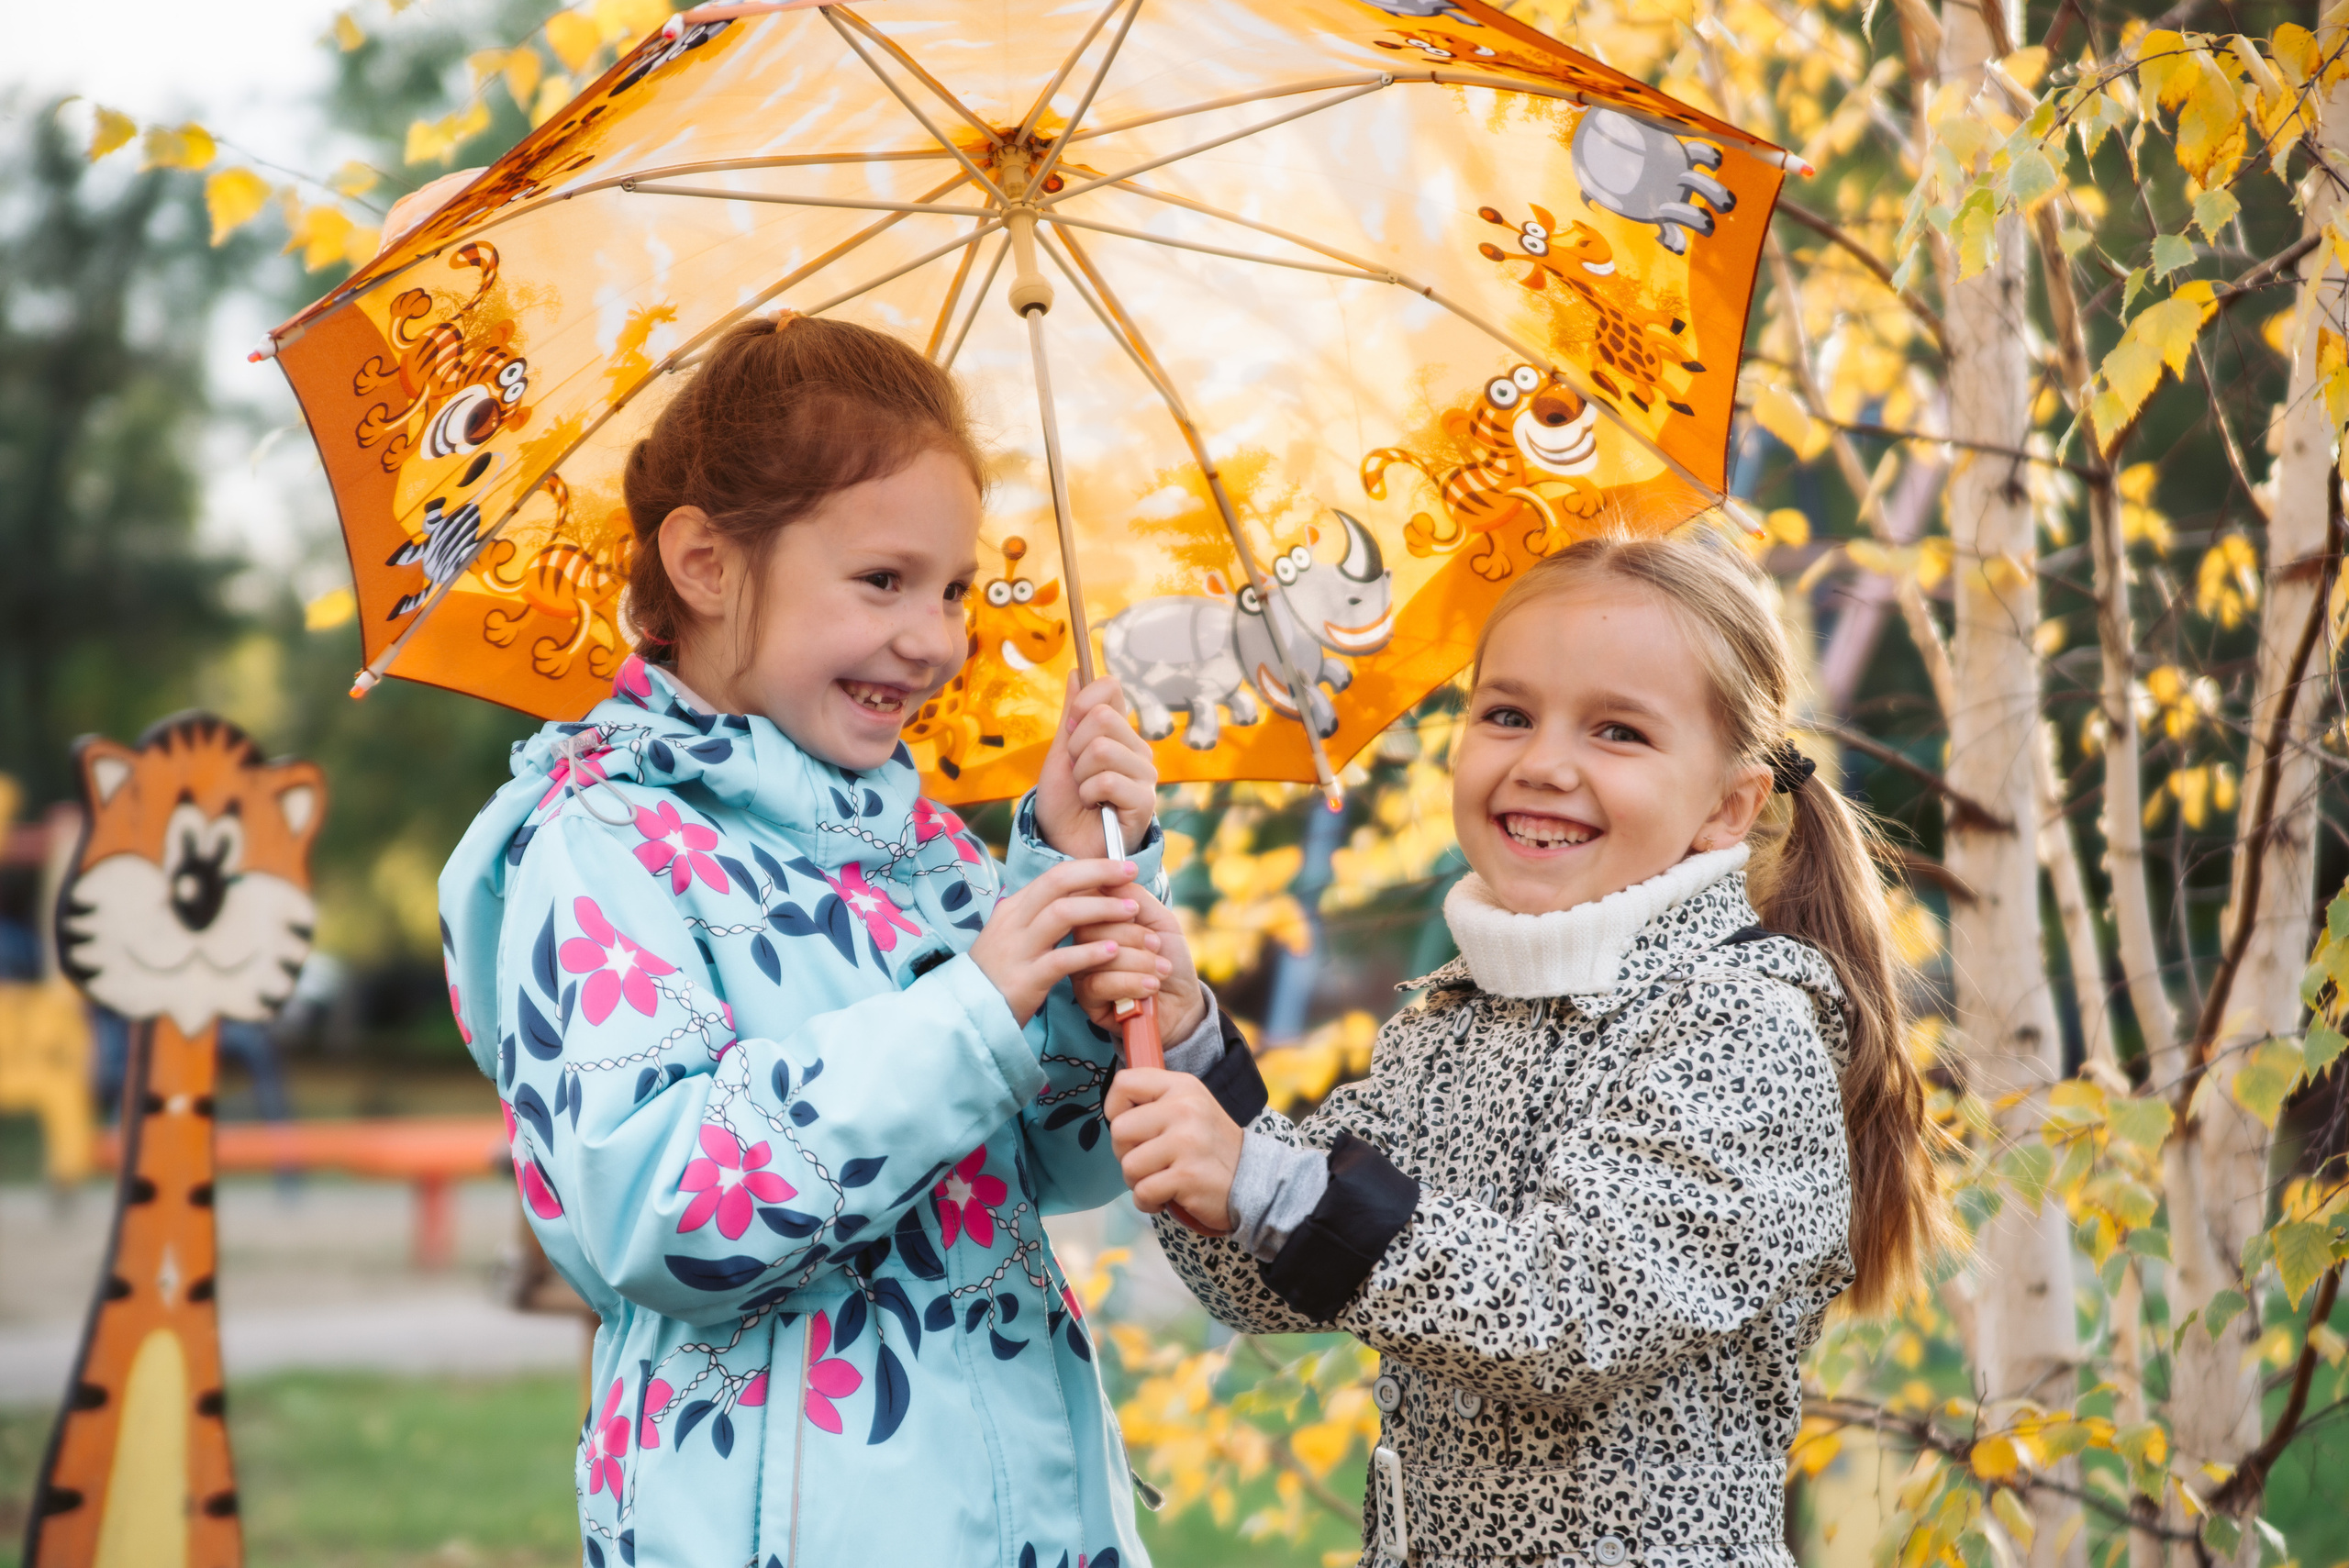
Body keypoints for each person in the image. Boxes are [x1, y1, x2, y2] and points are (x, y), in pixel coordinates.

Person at [440, 314, 1225, 1567]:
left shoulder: (925, 851)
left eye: (955, 588)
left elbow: (1066, 1163)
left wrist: (1086, 896)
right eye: (883, 580)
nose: (936, 638)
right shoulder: (599, 845)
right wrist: (973, 1008)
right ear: (704, 561)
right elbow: (661, 1212)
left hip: (1017, 1505)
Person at [1098, 532, 1945, 1567]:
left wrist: (1265, 1180)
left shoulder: (1741, 1025)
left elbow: (1563, 1309)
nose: (1542, 762)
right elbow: (1267, 1277)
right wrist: (1186, 1041)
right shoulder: (1451, 1020)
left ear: (1729, 804)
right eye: (1506, 713)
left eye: (1617, 731)